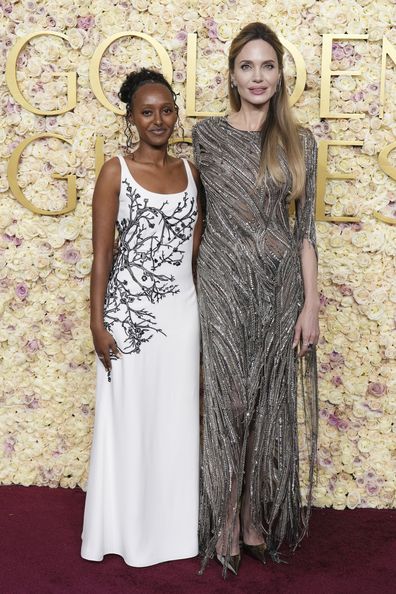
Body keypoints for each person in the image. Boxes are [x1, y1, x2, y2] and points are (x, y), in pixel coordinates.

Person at [192, 22, 319, 575]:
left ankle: (251, 523)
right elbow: (198, 215)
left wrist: (310, 305)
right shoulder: (207, 136)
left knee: (267, 407)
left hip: (279, 291)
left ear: (281, 74)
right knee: (229, 404)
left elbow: (304, 230)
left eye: (268, 66)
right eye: (248, 66)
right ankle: (221, 522)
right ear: (232, 74)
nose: (258, 76)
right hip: (221, 285)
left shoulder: (300, 141)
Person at [81, 69, 202, 567]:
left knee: (174, 424)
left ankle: (173, 534)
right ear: (131, 117)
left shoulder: (194, 173)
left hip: (181, 317)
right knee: (128, 424)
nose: (158, 119)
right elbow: (102, 255)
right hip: (128, 320)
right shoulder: (115, 171)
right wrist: (96, 322)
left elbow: (193, 253)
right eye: (146, 111)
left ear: (176, 114)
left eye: (166, 110)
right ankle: (124, 532)